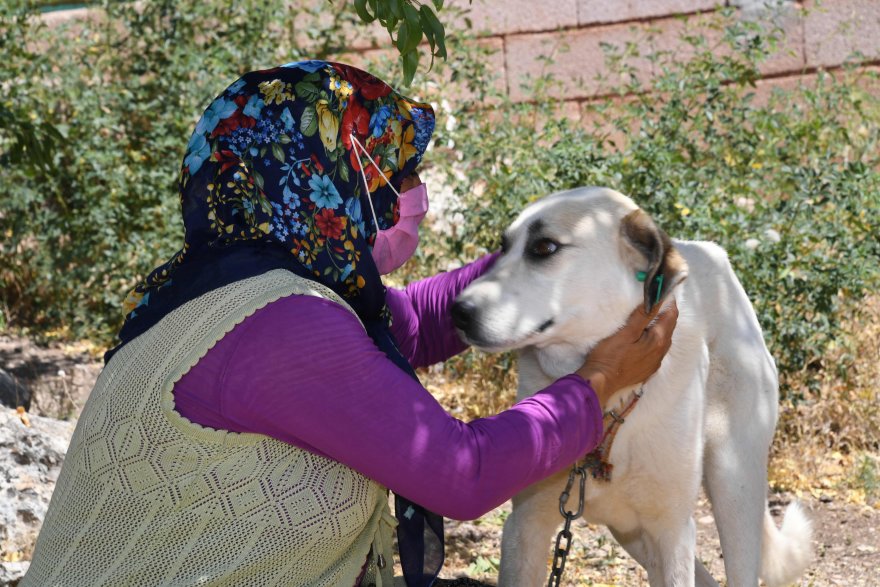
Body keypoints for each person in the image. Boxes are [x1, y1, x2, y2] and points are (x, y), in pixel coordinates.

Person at [22, 61, 677, 587]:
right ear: (324, 180)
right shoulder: (283, 325)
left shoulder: (235, 284)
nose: (412, 189)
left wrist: (546, 254)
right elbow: (460, 471)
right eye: (395, 170)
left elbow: (416, 321)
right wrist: (598, 382)